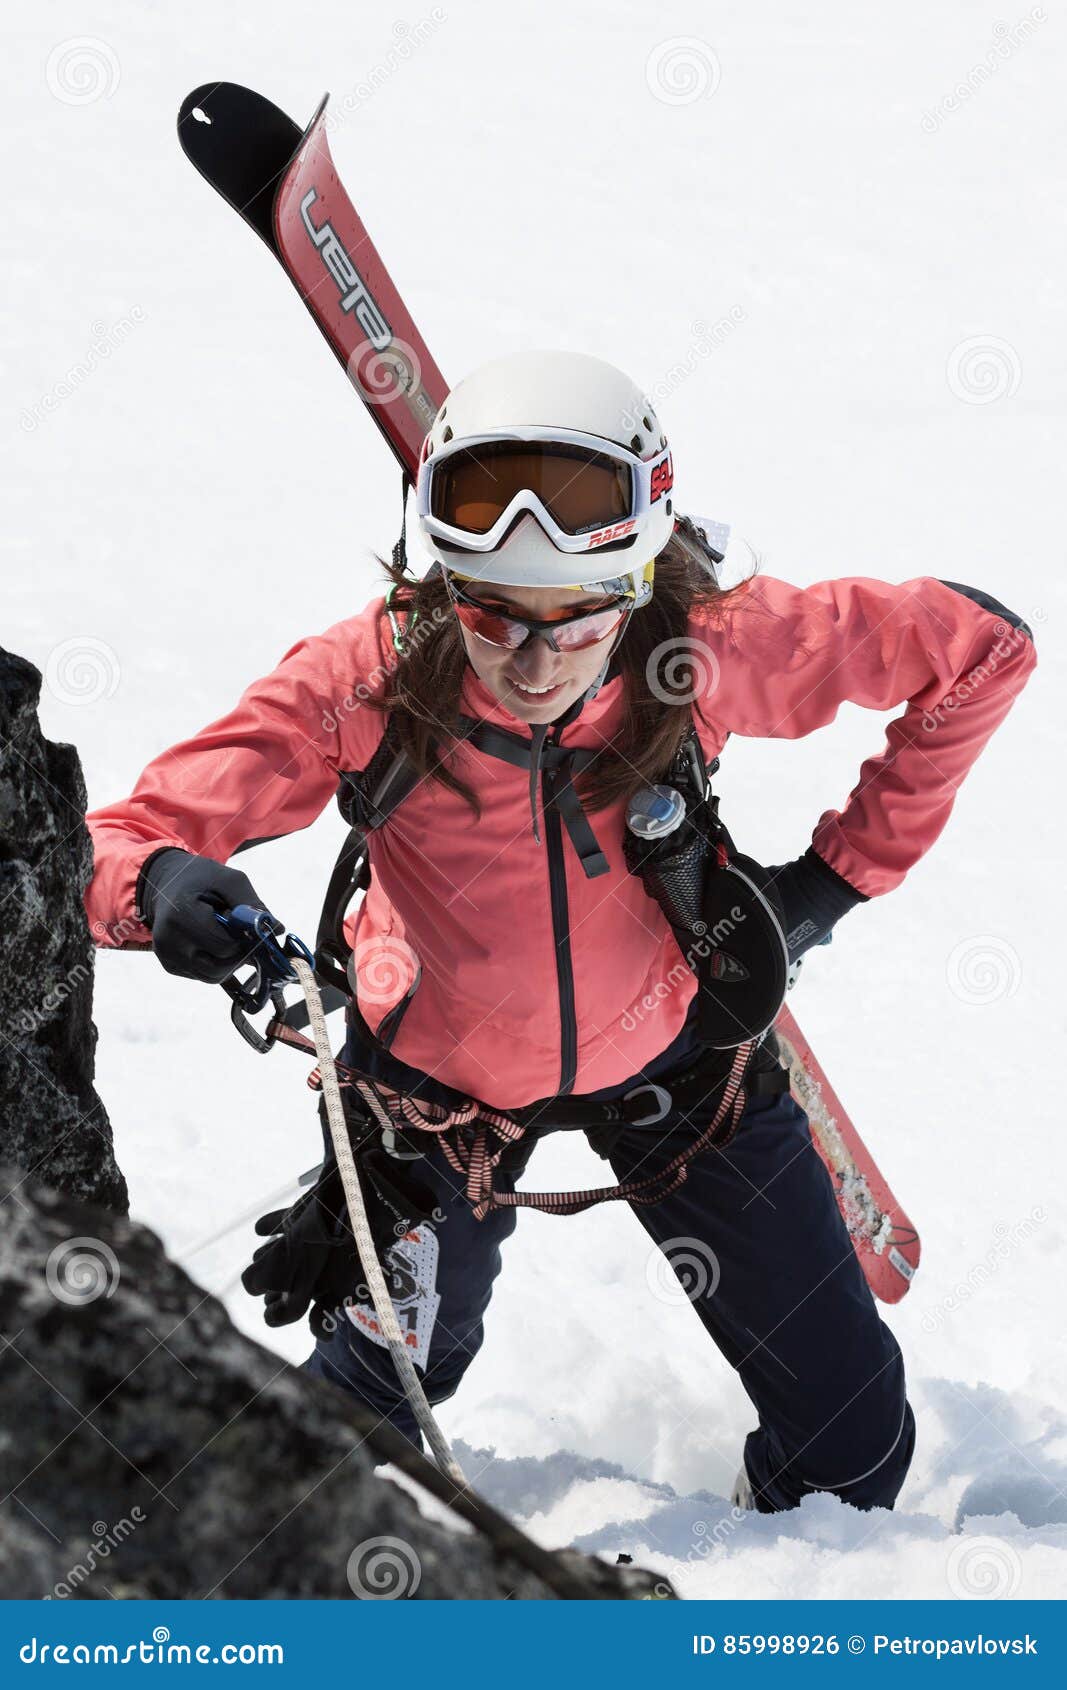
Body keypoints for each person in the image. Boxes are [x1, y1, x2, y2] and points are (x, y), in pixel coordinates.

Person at [85, 349, 1037, 1513]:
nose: (532, 661)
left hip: (686, 1072)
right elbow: (113, 834)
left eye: (575, 619)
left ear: (636, 586)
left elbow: (981, 647)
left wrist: (832, 882)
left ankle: (776, 1581)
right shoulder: (368, 678)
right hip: (438, 1101)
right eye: (492, 616)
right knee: (370, 1411)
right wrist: (162, 882)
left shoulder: (704, 649)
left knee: (853, 1447)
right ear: (445, 583)